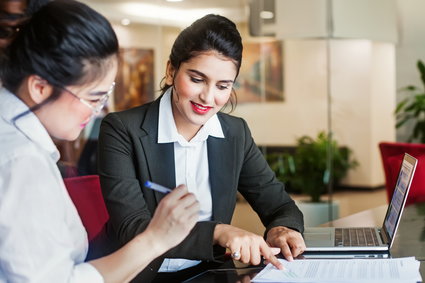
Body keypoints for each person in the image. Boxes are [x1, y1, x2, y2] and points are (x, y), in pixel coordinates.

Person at [0, 0, 199, 282]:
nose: (96, 112)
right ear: (40, 87)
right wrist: (155, 239)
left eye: (104, 98)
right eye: (93, 98)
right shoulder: (21, 163)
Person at [98, 14, 306, 282]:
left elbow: (279, 205)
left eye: (222, 86)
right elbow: (133, 228)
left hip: (209, 273)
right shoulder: (121, 129)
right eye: (197, 79)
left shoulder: (235, 133)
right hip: (137, 275)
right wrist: (220, 232)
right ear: (171, 70)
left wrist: (282, 228)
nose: (208, 97)